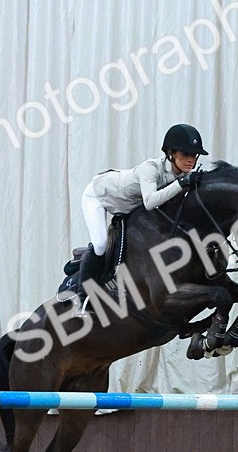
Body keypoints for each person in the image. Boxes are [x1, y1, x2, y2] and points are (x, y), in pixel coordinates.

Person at [73, 124, 209, 313]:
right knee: (100, 243)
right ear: (170, 154)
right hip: (98, 195)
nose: (190, 160)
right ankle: (82, 299)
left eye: (194, 156)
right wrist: (181, 183)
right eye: (185, 154)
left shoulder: (184, 175)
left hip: (127, 206)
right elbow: (150, 202)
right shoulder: (151, 168)